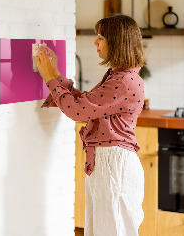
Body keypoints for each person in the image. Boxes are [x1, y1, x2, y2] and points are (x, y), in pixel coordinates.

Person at [34, 14, 146, 236]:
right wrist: (55, 73)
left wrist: (49, 77)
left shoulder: (123, 81)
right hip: (109, 163)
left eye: (101, 37)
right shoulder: (119, 76)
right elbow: (85, 103)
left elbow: (77, 111)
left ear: (117, 42)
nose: (95, 42)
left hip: (114, 165)